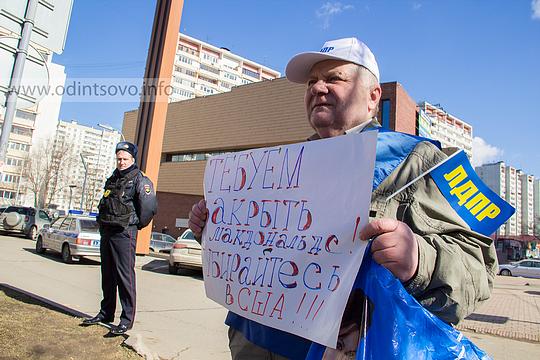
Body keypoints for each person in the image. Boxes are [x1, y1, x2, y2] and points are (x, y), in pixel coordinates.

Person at [189, 37, 498, 359]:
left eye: (334, 78)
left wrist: (419, 260)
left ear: (373, 97)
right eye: (312, 81)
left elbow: (478, 272)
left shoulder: (418, 161)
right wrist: (215, 230)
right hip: (251, 340)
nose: (318, 88)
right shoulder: (279, 167)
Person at [82, 141, 157, 335]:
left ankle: (126, 320)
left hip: (124, 232)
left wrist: (136, 225)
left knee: (125, 276)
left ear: (132, 159)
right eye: (119, 159)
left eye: (125, 159)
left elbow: (148, 208)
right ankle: (106, 312)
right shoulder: (113, 178)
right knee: (107, 274)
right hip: (107, 230)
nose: (121, 162)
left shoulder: (140, 179)